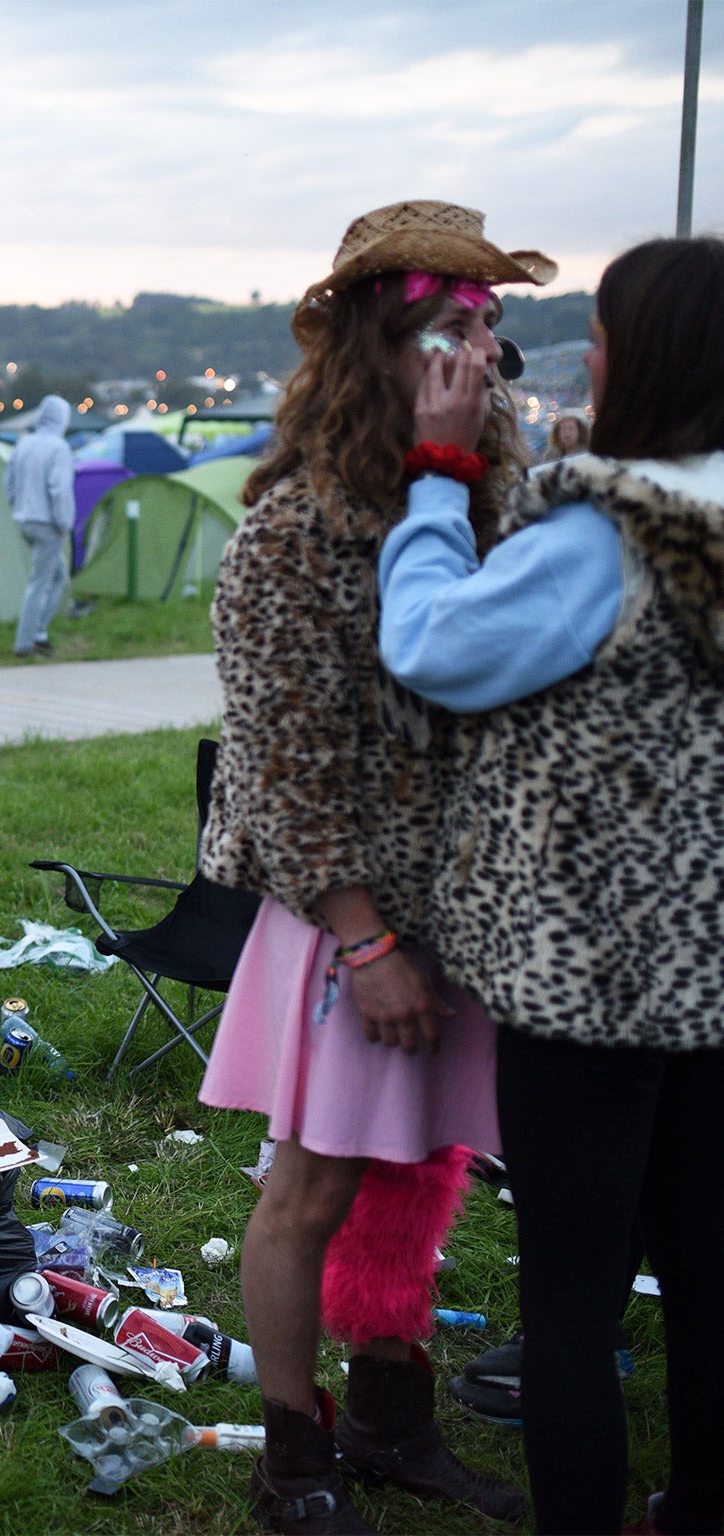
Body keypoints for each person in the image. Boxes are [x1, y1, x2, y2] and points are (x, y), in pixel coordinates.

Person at [195, 201, 545, 1533]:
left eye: (489, 324)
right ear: (376, 344)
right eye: (450, 322)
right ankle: (295, 1457)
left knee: (424, 1163)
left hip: (458, 907)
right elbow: (279, 771)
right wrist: (366, 939)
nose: (480, 349)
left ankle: (396, 1422)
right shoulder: (292, 532)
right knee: (317, 1181)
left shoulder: (480, 504)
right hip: (348, 913)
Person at [378, 234, 724, 1536]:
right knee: (706, 1277)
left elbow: (431, 648)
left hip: (590, 970)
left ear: (647, 358)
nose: (591, 349)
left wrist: (436, 472)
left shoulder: (607, 530)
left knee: (572, 1304)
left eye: (609, 331)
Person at [6, 395, 77, 657]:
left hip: (25, 520)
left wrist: (18, 507)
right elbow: (59, 489)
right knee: (39, 582)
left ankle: (39, 633)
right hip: (48, 523)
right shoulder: (59, 448)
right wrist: (64, 523)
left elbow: (9, 483)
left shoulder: (24, 443)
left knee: (57, 575)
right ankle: (26, 643)